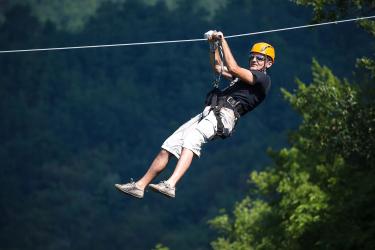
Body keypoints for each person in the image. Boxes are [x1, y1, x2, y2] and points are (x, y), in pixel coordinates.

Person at [115, 31, 275, 198]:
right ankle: (140, 186)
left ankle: (171, 184)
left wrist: (222, 40)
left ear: (268, 63)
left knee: (193, 138)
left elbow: (234, 67)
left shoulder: (263, 79)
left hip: (225, 116)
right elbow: (218, 67)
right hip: (210, 112)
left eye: (259, 58)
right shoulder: (242, 78)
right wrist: (213, 46)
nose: (254, 60)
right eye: (252, 57)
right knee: (169, 145)